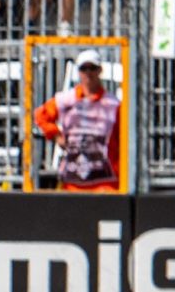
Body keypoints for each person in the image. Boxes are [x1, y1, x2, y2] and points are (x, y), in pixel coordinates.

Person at [32, 51, 124, 192]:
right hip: (73, 179)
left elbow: (122, 138)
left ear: (100, 70)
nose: (88, 73)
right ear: (78, 71)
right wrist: (57, 135)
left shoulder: (113, 104)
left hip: (105, 181)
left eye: (92, 68)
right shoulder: (66, 99)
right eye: (83, 69)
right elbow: (40, 115)